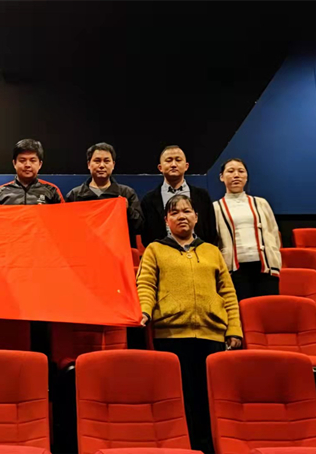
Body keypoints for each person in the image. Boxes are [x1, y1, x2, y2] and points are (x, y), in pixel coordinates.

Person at [137, 194, 242, 454]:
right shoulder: (155, 249)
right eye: (174, 212)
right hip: (171, 337)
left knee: (207, 401)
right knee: (178, 400)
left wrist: (234, 329)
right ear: (166, 220)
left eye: (186, 211)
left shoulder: (212, 251)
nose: (181, 216)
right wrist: (144, 311)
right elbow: (146, 285)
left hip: (211, 338)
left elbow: (228, 293)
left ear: (196, 217)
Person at [214, 158, 281, 301]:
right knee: (240, 309)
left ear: (246, 176)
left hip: (265, 268)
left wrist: (274, 257)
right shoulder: (215, 208)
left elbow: (273, 233)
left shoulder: (261, 203)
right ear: (221, 177)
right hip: (234, 271)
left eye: (241, 171)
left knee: (267, 308)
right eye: (230, 171)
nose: (236, 175)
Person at [66, 142, 143, 246]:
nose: (102, 165)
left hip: (117, 251)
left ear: (113, 165)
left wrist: (127, 210)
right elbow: (67, 230)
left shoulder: (126, 193)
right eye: (97, 161)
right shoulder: (74, 195)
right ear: (89, 164)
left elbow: (139, 227)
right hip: (84, 250)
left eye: (106, 161)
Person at [140, 145, 217, 247]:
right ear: (160, 168)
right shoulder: (148, 200)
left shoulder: (202, 196)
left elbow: (211, 232)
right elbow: (146, 236)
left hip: (199, 253)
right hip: (162, 253)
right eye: (169, 160)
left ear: (186, 166)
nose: (173, 164)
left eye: (178, 160)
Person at [0, 139, 64, 205]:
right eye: (22, 160)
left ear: (40, 164)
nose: (27, 165)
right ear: (14, 163)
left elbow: (63, 214)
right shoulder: (0, 192)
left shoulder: (52, 191)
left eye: (32, 160)